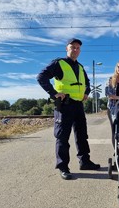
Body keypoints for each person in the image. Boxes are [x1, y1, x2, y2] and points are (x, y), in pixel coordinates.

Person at [37, 38, 100, 180]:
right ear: (67, 48)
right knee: (62, 137)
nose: (75, 50)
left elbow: (87, 83)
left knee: (82, 135)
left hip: (78, 105)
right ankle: (63, 166)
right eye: (73, 47)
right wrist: (54, 94)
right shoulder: (59, 63)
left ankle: (85, 162)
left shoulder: (81, 67)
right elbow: (41, 77)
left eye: (78, 48)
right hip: (64, 105)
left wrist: (86, 92)